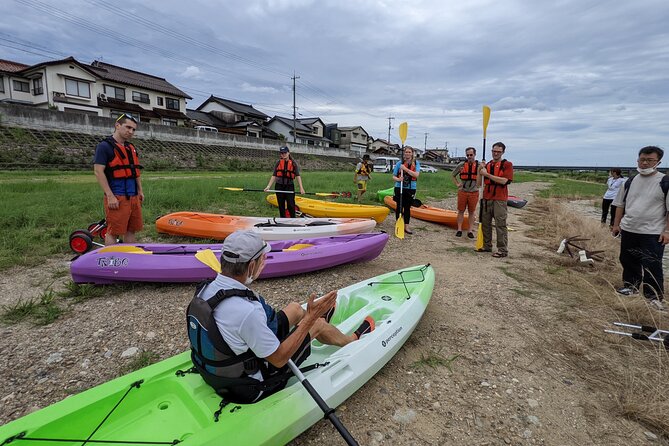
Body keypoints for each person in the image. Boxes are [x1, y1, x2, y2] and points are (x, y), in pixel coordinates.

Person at [187, 230, 375, 403]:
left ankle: (321, 326)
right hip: (250, 385)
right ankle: (348, 339)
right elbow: (278, 359)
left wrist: (304, 316)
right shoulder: (246, 311)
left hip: (218, 367)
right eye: (263, 259)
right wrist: (310, 320)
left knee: (295, 309)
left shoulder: (208, 288)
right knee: (315, 324)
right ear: (251, 265)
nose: (264, 262)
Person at [612, 146, 669, 310]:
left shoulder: (664, 182)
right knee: (628, 260)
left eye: (649, 160)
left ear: (658, 162)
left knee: (652, 264)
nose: (644, 163)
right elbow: (619, 205)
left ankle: (654, 297)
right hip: (629, 228)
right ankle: (631, 287)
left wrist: (667, 231)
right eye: (641, 159)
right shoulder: (630, 181)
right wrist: (616, 225)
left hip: (652, 233)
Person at [93, 113, 143, 245]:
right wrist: (110, 196)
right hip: (117, 196)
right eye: (128, 127)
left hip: (133, 195)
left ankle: (129, 259)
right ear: (117, 125)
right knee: (113, 231)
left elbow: (135, 172)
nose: (130, 131)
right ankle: (111, 261)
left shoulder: (130, 148)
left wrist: (140, 191)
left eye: (133, 129)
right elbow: (98, 171)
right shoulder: (104, 146)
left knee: (131, 229)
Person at [477, 142, 513, 257]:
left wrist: (487, 175)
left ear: (503, 152)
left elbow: (504, 181)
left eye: (498, 151)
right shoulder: (487, 165)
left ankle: (502, 250)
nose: (495, 153)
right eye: (494, 151)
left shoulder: (507, 164)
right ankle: (487, 246)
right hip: (487, 198)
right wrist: (480, 170)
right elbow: (479, 184)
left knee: (500, 224)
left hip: (499, 199)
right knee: (486, 223)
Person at [265, 146, 305, 218]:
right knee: (281, 205)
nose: (283, 154)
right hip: (279, 186)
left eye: (285, 153)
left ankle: (293, 219)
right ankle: (282, 219)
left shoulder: (293, 163)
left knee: (291, 205)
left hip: (289, 186)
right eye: (282, 153)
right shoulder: (278, 163)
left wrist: (301, 188)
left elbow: (298, 176)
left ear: (288, 153)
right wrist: (268, 186)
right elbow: (274, 175)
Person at [451, 147, 482, 238]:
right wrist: (457, 183)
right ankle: (459, 229)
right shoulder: (461, 165)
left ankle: (470, 230)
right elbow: (453, 175)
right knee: (461, 211)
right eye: (467, 155)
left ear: (474, 155)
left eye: (471, 155)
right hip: (463, 191)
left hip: (474, 192)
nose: (469, 156)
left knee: (472, 211)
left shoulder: (479, 165)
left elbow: (484, 177)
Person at [392, 147, 421, 235]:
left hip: (411, 188)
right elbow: (393, 176)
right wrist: (398, 179)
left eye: (409, 152)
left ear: (412, 153)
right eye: (406, 152)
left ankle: (406, 226)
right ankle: (398, 223)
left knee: (407, 207)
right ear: (404, 153)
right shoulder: (399, 163)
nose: (407, 153)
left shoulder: (416, 163)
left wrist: (405, 169)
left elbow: (416, 175)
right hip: (399, 187)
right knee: (399, 207)